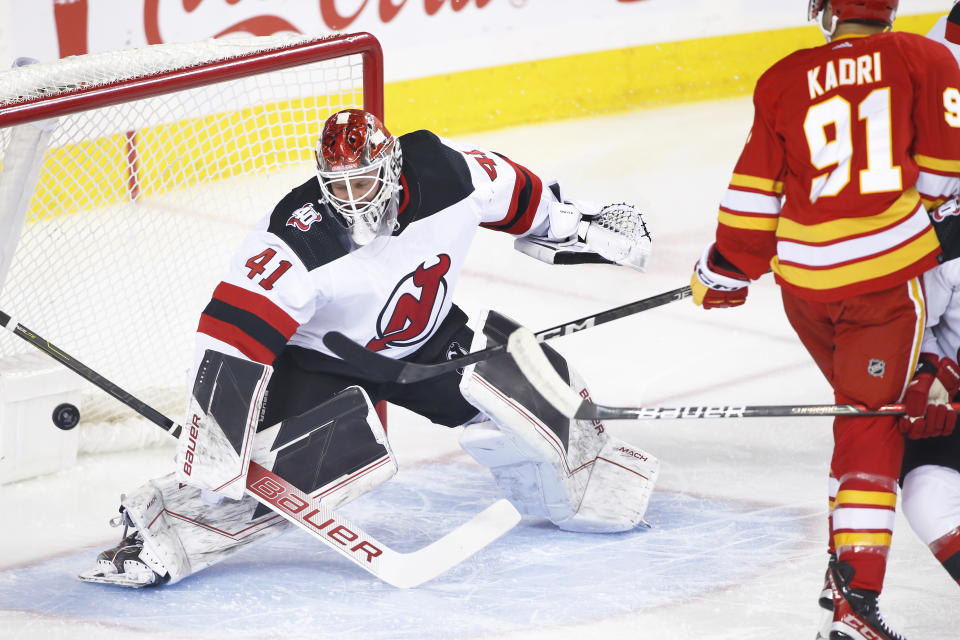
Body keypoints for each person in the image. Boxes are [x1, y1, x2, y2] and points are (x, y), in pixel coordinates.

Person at [78, 109, 660, 588]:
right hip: (321, 362)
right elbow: (232, 340)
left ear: (393, 168)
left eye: (364, 182)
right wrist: (216, 439)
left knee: (544, 387)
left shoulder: (450, 174)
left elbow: (520, 198)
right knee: (305, 467)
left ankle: (583, 484)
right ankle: (162, 528)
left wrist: (576, 226)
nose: (353, 200)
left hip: (429, 345)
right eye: (339, 186)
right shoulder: (295, 240)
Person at [689, 1, 960, 638]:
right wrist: (920, 232)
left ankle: (841, 579)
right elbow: (946, 173)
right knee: (872, 431)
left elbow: (756, 194)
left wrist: (724, 270)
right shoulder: (923, 58)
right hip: (883, 291)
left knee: (858, 417)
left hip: (806, 287)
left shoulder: (784, 76)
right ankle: (855, 605)